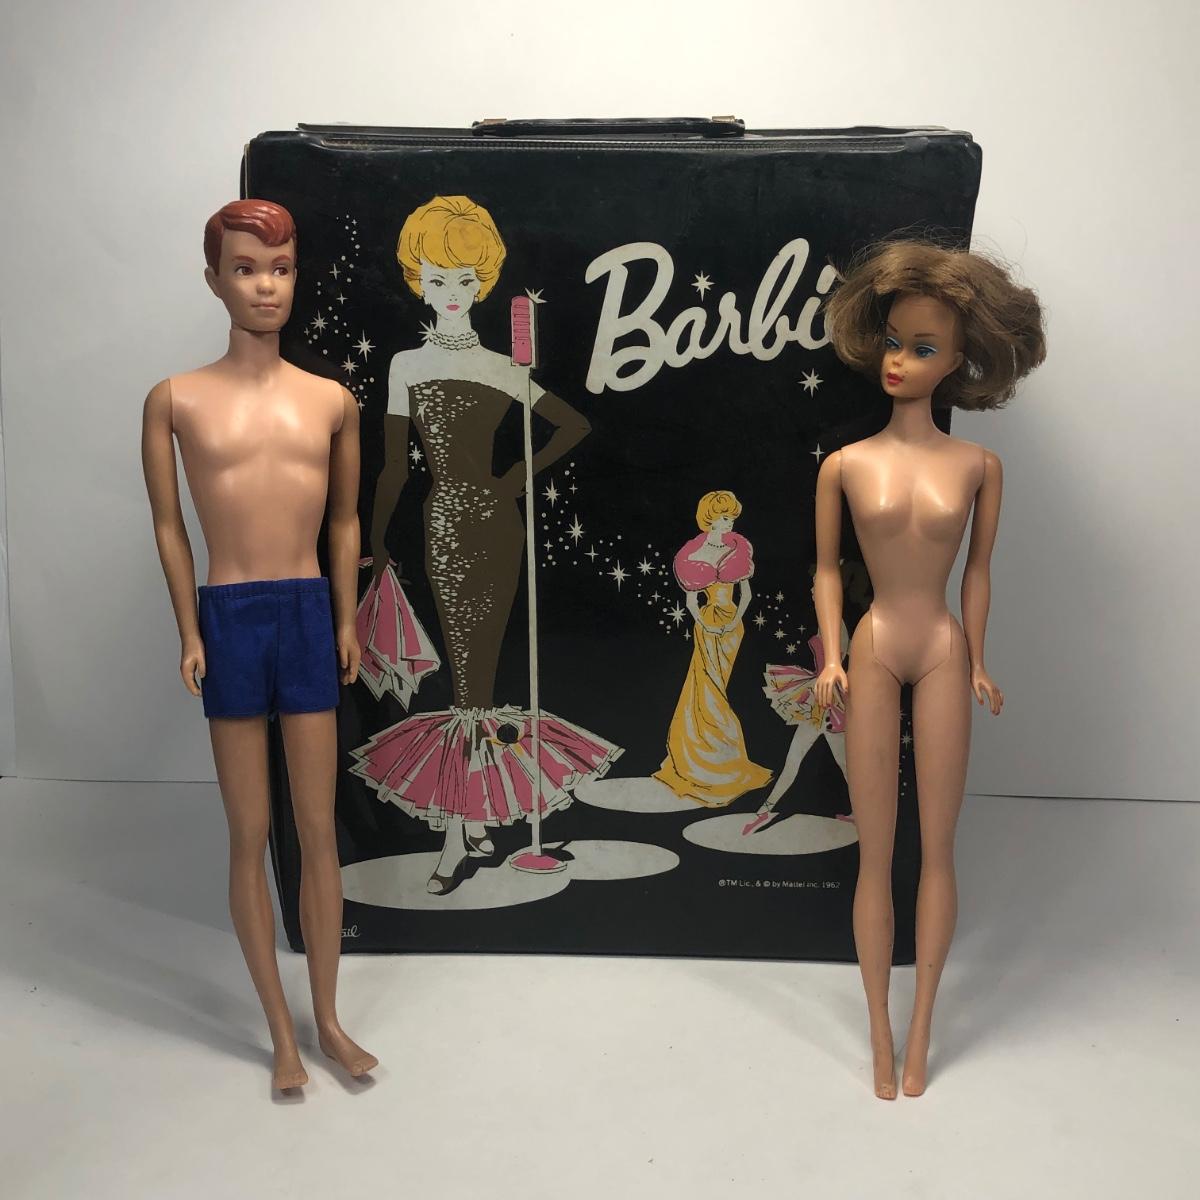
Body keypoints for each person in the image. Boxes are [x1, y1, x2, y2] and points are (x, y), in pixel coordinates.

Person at [141, 199, 377, 1091]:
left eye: (278, 269)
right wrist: (188, 628)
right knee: (250, 831)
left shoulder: (331, 401)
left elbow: (346, 519)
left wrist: (346, 619)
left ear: (296, 275)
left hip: (308, 610)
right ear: (214, 280)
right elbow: (169, 525)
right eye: (244, 269)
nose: (265, 286)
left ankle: (328, 1021)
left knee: (318, 828)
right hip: (232, 615)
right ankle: (280, 1033)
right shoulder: (176, 400)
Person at [813, 239, 1045, 1098]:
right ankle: (879, 1031)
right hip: (873, 645)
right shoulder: (845, 465)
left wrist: (978, 658)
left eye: (923, 348)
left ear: (958, 363)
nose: (898, 362)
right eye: (893, 341)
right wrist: (830, 654)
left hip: (942, 647)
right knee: (875, 852)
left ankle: (921, 1034)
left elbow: (979, 571)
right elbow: (827, 570)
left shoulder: (979, 467)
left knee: (937, 848)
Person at [353, 195, 620, 895]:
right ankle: (471, 824)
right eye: (437, 278)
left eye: (464, 279)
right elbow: (392, 466)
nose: (451, 291)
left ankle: (459, 834)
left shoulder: (505, 366)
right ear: (418, 280)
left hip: (496, 527)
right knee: (464, 671)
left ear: (483, 284)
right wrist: (376, 537)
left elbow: (573, 425)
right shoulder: (405, 365)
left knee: (477, 677)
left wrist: (514, 477)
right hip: (442, 524)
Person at [653, 490, 773, 806]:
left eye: (731, 517)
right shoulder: (693, 554)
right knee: (704, 687)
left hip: (732, 625)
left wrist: (733, 622)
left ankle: (721, 761)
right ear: (710, 518)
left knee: (716, 687)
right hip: (706, 623)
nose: (729, 522)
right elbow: (691, 601)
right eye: (724, 517)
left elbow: (746, 595)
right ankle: (700, 760)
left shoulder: (738, 549)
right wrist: (706, 625)